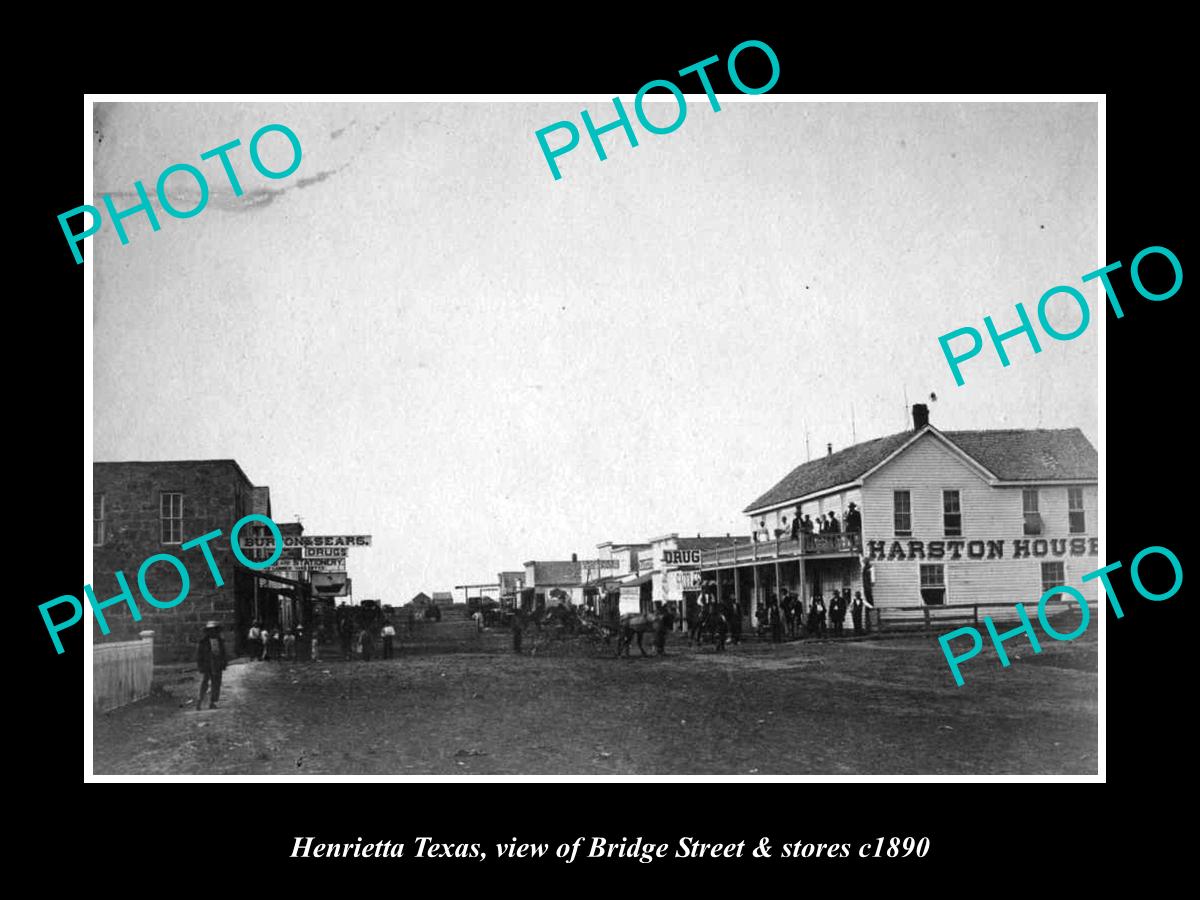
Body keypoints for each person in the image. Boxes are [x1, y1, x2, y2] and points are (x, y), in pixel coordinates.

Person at [196, 621, 226, 710]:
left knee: (216, 684)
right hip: (207, 665)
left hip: (217, 665)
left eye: (215, 630)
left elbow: (223, 653)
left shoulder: (220, 641)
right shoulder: (203, 642)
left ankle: (212, 702)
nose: (213, 632)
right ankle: (199, 701)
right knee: (204, 683)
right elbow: (199, 655)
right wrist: (200, 666)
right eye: (210, 630)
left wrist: (223, 663)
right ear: (207, 631)